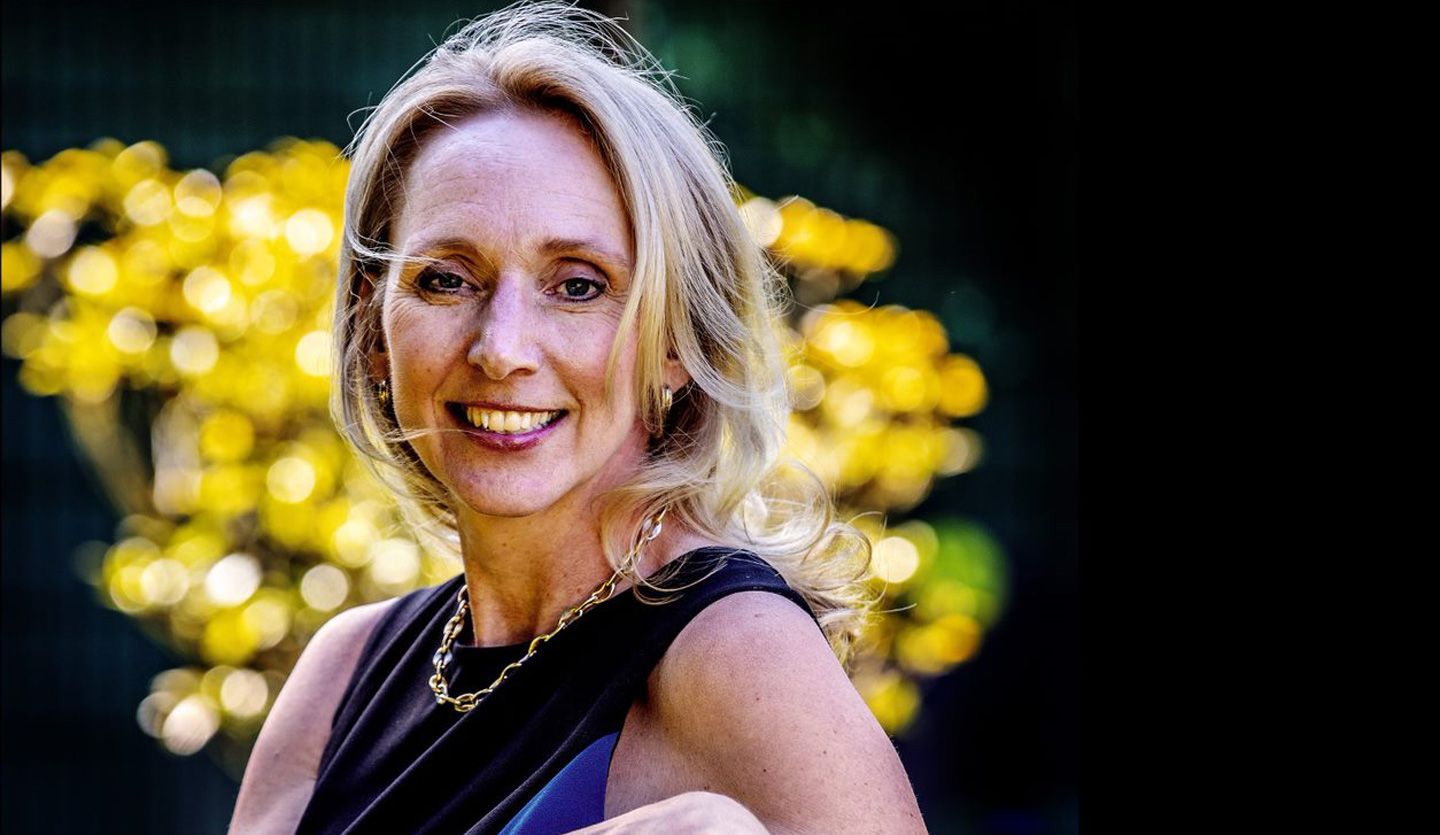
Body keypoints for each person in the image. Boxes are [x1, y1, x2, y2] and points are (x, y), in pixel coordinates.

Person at [229, 2, 928, 832]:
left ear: (676, 341)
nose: (501, 349)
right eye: (447, 279)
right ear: (371, 324)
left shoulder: (740, 651)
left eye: (577, 285)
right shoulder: (343, 671)